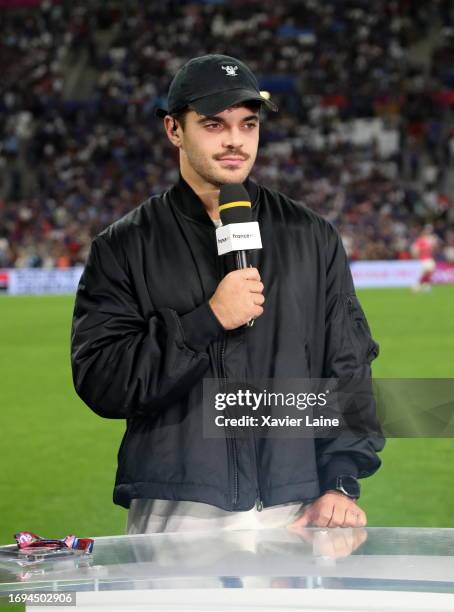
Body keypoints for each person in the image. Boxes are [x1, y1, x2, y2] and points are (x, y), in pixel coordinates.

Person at [71, 54, 384, 534]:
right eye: (214, 124)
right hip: (177, 515)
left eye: (248, 124)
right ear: (174, 129)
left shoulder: (311, 236)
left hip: (295, 512)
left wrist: (338, 482)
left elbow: (348, 368)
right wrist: (207, 320)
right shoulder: (123, 246)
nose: (236, 140)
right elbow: (103, 380)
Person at [411, 224, 438, 292]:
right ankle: (419, 285)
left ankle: (424, 285)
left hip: (429, 258)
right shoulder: (420, 240)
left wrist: (434, 243)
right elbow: (415, 249)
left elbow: (433, 248)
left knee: (429, 271)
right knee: (426, 271)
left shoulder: (430, 239)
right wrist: (417, 255)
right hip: (423, 258)